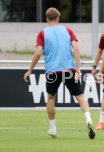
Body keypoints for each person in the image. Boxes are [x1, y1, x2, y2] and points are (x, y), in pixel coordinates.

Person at [23, 7, 95, 139]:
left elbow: (38, 53)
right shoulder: (67, 30)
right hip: (69, 70)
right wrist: (78, 68)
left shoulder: (42, 33)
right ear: (58, 18)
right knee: (80, 97)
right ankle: (88, 119)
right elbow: (76, 48)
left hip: (52, 72)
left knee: (51, 98)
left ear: (46, 19)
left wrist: (30, 70)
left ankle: (53, 129)